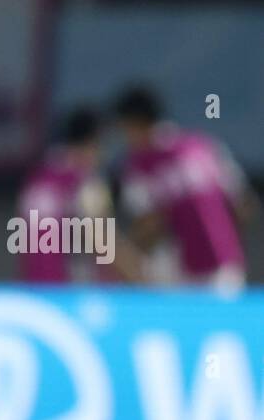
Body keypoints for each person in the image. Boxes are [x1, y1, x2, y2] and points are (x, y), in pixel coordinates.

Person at [114, 86, 256, 294]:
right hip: (226, 266)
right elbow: (244, 205)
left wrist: (120, 254)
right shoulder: (203, 146)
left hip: (181, 274)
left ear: (134, 123)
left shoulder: (139, 166)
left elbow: (150, 223)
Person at [16, 107, 139, 284]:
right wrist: (144, 281)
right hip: (68, 293)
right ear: (93, 142)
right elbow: (103, 244)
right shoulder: (83, 182)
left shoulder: (37, 180)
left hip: (35, 291)